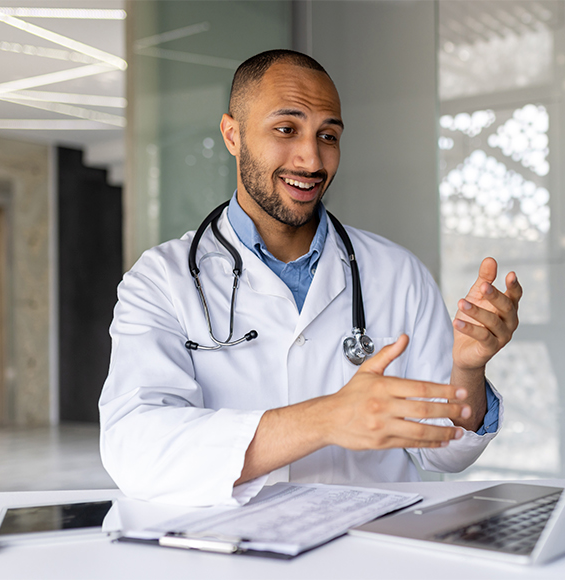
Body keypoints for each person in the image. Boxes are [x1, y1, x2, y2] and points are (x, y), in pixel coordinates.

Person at [99, 50, 523, 506]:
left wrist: (468, 368)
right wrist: (328, 418)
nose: (311, 158)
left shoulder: (397, 272)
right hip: (233, 553)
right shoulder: (162, 279)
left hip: (371, 547)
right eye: (286, 129)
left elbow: (445, 452)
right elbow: (137, 447)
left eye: (328, 135)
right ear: (232, 134)